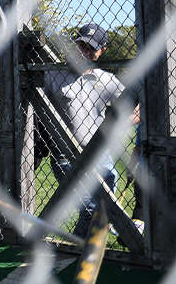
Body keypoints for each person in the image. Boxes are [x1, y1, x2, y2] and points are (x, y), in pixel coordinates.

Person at [44, 23, 139, 238]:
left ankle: (87, 253)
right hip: (65, 155)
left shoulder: (107, 80)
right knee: (90, 210)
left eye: (90, 48)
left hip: (100, 154)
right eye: (80, 45)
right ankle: (80, 254)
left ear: (101, 51)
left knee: (104, 211)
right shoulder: (52, 74)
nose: (84, 51)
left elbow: (136, 109)